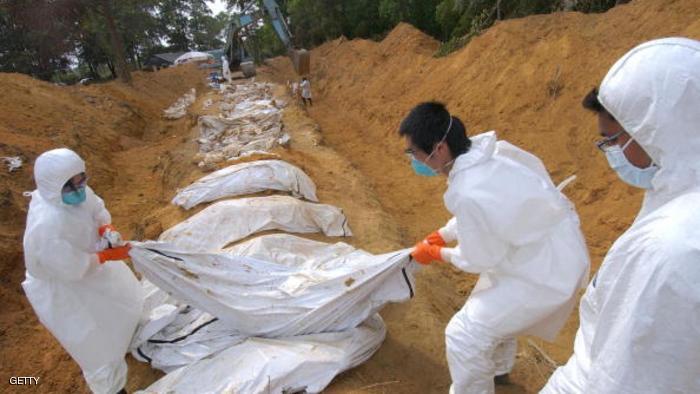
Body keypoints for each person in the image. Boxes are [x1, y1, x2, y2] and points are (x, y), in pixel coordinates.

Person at [541, 37, 700, 394]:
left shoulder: (669, 248)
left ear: (653, 131)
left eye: (612, 140)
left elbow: (622, 383)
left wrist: (446, 252)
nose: (611, 153)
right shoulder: (676, 195)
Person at [400, 102, 590, 394]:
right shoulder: (490, 154)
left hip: (544, 271)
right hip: (549, 245)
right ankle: (499, 370)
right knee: (490, 298)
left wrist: (438, 252)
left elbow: (479, 257)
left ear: (439, 149)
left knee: (464, 334)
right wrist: (444, 233)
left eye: (414, 152)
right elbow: (490, 210)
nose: (413, 159)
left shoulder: (467, 190)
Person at [22, 148, 144, 394]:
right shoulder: (47, 224)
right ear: (53, 186)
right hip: (68, 289)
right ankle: (112, 388)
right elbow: (68, 267)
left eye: (82, 180)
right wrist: (105, 255)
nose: (79, 189)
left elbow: (95, 207)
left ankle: (129, 340)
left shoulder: (74, 192)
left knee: (122, 303)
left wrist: (105, 227)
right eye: (71, 185)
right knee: (94, 343)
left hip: (93, 266)